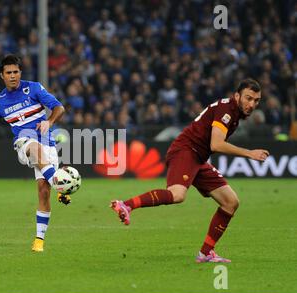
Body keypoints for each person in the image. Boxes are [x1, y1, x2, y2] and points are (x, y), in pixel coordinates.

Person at [110, 78, 269, 263]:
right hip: (186, 151)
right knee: (177, 194)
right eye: (248, 98)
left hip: (199, 159)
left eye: (256, 100)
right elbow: (216, 144)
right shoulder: (227, 111)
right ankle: (126, 205)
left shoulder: (233, 112)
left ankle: (206, 253)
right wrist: (249, 153)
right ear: (237, 96)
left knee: (230, 202)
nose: (252, 104)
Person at [0, 54, 68, 253]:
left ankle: (39, 239)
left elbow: (59, 107)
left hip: (47, 141)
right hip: (24, 142)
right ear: (2, 75)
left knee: (43, 191)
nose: (13, 76)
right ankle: (60, 184)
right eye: (8, 73)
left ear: (20, 73)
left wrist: (49, 121)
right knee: (32, 146)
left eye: (16, 72)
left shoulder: (34, 88)